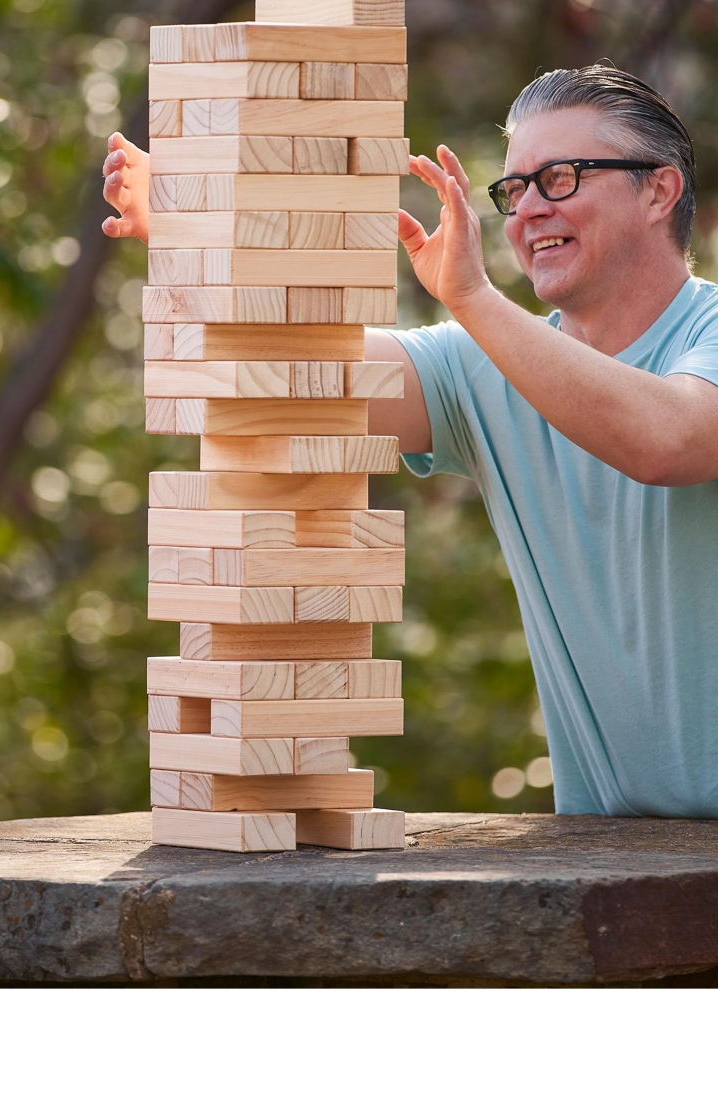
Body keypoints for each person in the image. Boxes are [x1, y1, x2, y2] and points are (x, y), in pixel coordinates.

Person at [103, 62, 718, 819]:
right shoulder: (485, 363)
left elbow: (668, 440)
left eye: (560, 177)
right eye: (514, 189)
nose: (526, 211)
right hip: (618, 874)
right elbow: (298, 379)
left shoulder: (704, 337)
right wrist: (193, 237)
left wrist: (471, 297)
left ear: (659, 190)